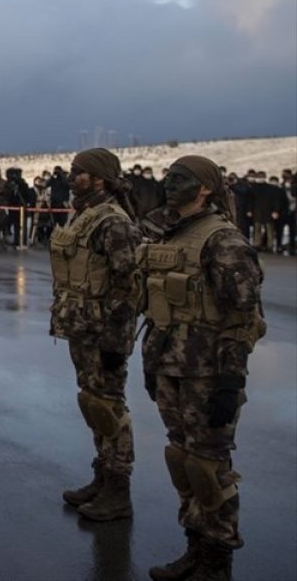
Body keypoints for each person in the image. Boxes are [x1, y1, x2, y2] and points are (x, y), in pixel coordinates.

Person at [140, 156, 265, 581]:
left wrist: (231, 381)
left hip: (208, 374)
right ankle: (195, 547)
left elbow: (243, 318)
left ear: (205, 188)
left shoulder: (223, 241)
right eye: (169, 176)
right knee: (183, 459)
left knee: (210, 466)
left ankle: (217, 560)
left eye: (181, 179)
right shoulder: (169, 233)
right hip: (171, 367)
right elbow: (156, 306)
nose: (169, 183)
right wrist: (151, 362)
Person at [49, 148, 143, 522]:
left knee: (109, 408)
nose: (72, 178)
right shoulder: (86, 215)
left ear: (99, 179)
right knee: (93, 404)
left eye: (79, 173)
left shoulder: (113, 222)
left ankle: (118, 490)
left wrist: (117, 344)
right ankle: (102, 477)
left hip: (103, 333)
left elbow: (128, 287)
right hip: (81, 326)